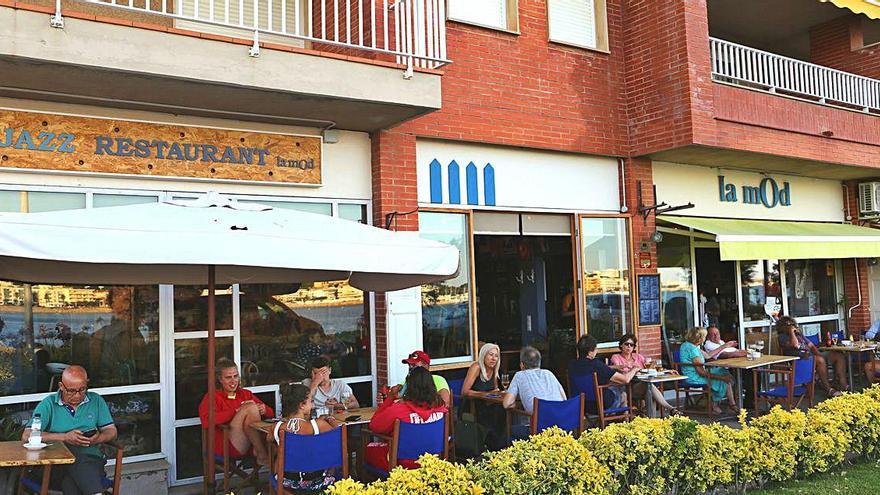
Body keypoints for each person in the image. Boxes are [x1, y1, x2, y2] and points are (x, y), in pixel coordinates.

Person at [20, 365, 117, 495]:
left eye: (82, 389)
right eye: (71, 391)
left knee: (70, 482)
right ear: (61, 386)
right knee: (70, 450)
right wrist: (65, 437)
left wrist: (98, 438)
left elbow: (111, 431)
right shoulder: (48, 404)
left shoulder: (96, 400)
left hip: (90, 461)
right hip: (54, 464)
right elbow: (27, 436)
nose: (77, 395)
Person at [365, 367, 448, 471]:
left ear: (408, 387)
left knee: (367, 449)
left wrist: (390, 398)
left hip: (401, 464)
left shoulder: (398, 410)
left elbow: (374, 426)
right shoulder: (441, 409)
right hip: (432, 460)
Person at [199, 358, 274, 467]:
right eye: (228, 377)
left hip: (249, 443)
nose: (233, 381)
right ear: (220, 379)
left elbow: (271, 414)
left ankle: (281, 477)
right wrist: (236, 411)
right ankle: (262, 454)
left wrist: (264, 409)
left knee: (279, 445)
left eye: (236, 376)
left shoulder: (245, 394)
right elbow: (206, 420)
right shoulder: (213, 396)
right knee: (250, 407)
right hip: (226, 445)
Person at [271, 383, 345, 492]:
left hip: (286, 482)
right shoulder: (317, 425)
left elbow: (269, 441)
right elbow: (339, 431)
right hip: (317, 482)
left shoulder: (276, 427)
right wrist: (329, 419)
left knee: (277, 451)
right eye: (311, 402)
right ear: (302, 405)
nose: (313, 406)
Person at [503, 346, 566, 440]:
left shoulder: (519, 375)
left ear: (522, 365)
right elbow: (564, 399)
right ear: (539, 363)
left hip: (539, 430)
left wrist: (514, 404)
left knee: (510, 431)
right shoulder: (548, 373)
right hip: (561, 426)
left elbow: (506, 404)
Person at [609, 334, 679, 416]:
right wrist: (633, 370)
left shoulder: (638, 357)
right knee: (649, 387)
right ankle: (669, 409)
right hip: (626, 387)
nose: (629, 347)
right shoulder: (616, 357)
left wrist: (668, 371)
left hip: (640, 385)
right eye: (626, 344)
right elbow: (620, 372)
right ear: (621, 345)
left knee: (649, 389)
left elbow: (650, 369)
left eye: (631, 345)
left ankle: (657, 416)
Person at [775, 316, 848, 396]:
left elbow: (811, 345)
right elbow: (795, 345)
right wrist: (791, 332)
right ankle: (829, 389)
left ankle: (843, 384)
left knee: (838, 356)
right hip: (800, 361)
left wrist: (819, 354)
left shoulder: (799, 335)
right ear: (783, 327)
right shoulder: (782, 337)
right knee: (820, 360)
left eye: (792, 324)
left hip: (811, 356)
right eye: (788, 325)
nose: (792, 326)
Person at [569, 335, 637, 415]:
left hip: (582, 406)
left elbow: (598, 369)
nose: (596, 351)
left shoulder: (572, 365)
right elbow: (625, 379)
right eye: (595, 349)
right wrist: (635, 369)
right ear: (590, 352)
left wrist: (613, 367)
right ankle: (621, 422)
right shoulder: (595, 364)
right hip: (601, 405)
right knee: (622, 392)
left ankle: (613, 420)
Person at [679, 327, 737, 415]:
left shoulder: (687, 344)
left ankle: (727, 404)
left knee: (723, 372)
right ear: (700, 338)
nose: (705, 339)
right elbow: (701, 372)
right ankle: (717, 404)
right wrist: (721, 377)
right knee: (724, 379)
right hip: (694, 378)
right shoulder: (693, 350)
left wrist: (725, 346)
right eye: (704, 336)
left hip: (691, 374)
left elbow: (707, 356)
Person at [461, 342, 505, 450]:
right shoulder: (476, 367)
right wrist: (483, 394)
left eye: (496, 356)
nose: (493, 358)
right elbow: (464, 391)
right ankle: (490, 446)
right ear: (483, 355)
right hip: (472, 406)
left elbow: (494, 389)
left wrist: (500, 392)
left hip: (487, 403)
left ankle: (498, 446)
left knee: (503, 410)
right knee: (496, 413)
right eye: (491, 355)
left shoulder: (494, 369)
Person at [384, 350, 451, 407]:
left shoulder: (438, 380)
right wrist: (386, 398)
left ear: (425, 366)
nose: (410, 368)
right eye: (409, 365)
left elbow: (445, 405)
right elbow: (395, 402)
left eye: (414, 365)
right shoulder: (406, 382)